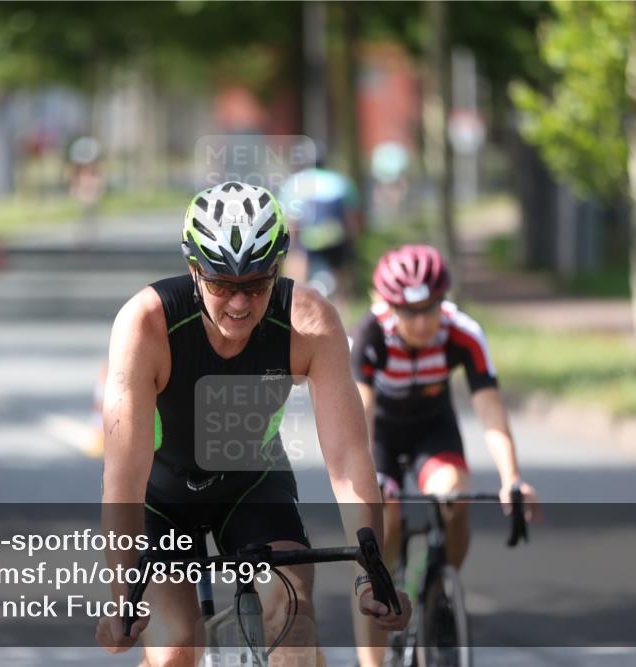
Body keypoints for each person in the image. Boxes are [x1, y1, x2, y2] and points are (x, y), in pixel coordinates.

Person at [96, 181, 411, 666]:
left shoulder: (309, 321)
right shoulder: (145, 324)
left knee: (294, 622)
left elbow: (349, 460)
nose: (240, 304)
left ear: (279, 270)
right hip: (161, 499)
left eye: (257, 285)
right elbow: (123, 477)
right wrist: (121, 593)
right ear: (193, 269)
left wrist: (374, 575)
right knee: (177, 645)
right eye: (222, 285)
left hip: (252, 486)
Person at [348, 244, 537, 667]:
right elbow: (361, 416)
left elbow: (489, 407)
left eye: (429, 308)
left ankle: (440, 589)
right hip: (382, 436)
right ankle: (374, 642)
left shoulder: (463, 331)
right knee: (383, 519)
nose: (420, 321)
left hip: (433, 430)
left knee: (455, 496)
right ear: (387, 304)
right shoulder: (370, 335)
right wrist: (367, 484)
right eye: (408, 311)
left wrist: (512, 477)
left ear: (443, 301)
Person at [279, 150, 362, 315]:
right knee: (340, 277)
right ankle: (342, 314)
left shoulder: (294, 182)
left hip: (309, 237)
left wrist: (292, 247)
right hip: (335, 236)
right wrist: (352, 243)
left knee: (295, 263)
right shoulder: (341, 181)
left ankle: (292, 308)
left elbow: (291, 220)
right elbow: (352, 218)